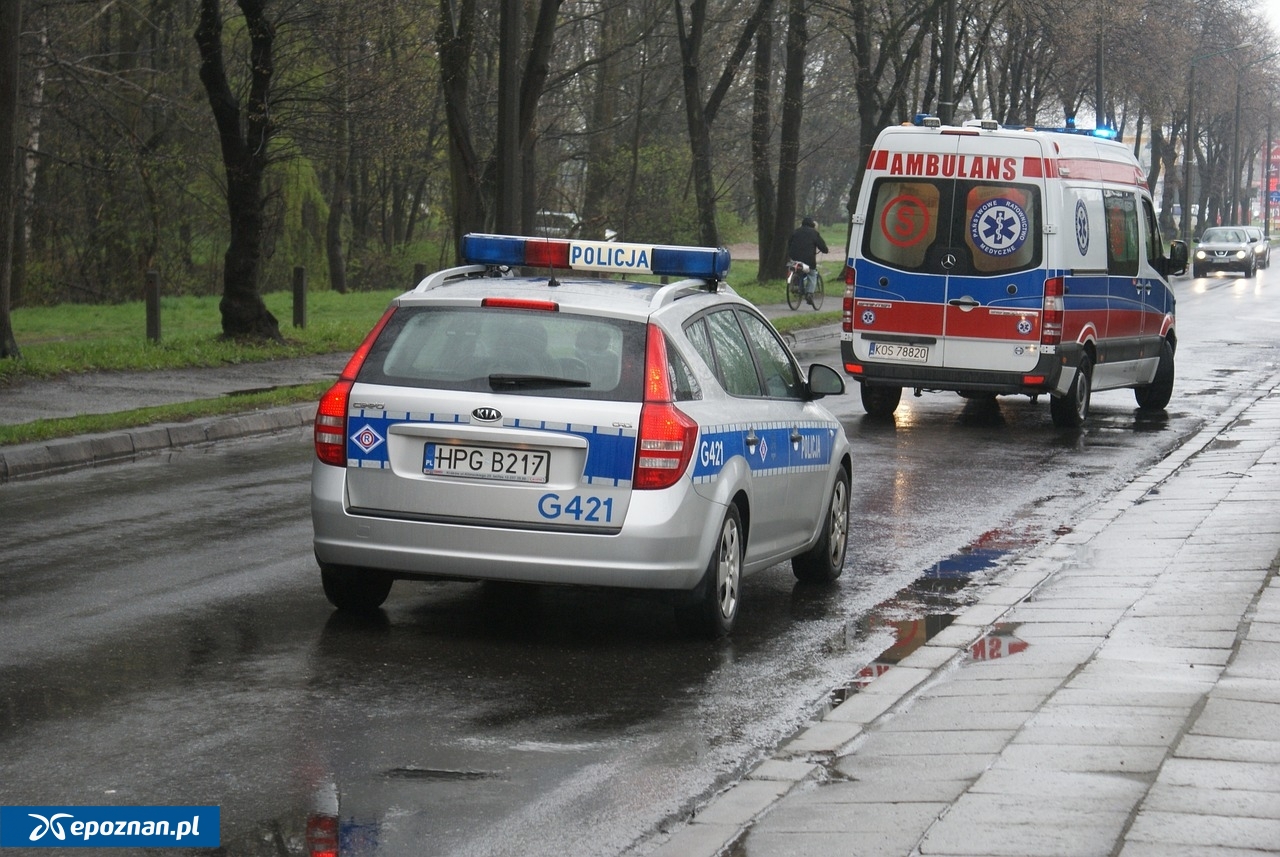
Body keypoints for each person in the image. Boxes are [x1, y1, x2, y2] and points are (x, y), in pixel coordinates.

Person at [787, 216, 828, 306]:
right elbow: (822, 246)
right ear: (812, 225)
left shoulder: (795, 231)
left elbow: (789, 243)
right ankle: (809, 293)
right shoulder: (814, 233)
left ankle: (795, 284)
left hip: (794, 258)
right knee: (812, 274)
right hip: (808, 260)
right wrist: (825, 250)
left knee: (795, 269)